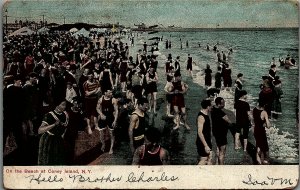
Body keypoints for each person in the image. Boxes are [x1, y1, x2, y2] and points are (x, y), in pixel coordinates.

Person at [38, 100, 69, 165]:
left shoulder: (65, 114)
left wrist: (62, 135)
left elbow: (65, 126)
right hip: (48, 140)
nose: (65, 107)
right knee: (48, 161)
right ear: (57, 105)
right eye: (63, 105)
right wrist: (54, 124)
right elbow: (40, 130)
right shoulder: (49, 115)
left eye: (65, 105)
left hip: (58, 140)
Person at [211, 97, 234, 165]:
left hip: (215, 132)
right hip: (221, 133)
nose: (224, 104)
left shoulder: (213, 110)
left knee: (218, 148)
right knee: (222, 151)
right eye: (223, 103)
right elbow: (229, 122)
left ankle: (217, 163)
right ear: (219, 104)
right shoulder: (221, 113)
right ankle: (221, 166)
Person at [96, 89, 119, 154]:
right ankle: (103, 144)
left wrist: (115, 120)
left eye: (111, 92)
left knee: (111, 133)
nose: (111, 93)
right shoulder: (101, 99)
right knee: (101, 134)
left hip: (110, 118)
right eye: (110, 92)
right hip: (103, 118)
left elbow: (116, 111)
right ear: (105, 92)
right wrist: (101, 114)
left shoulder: (114, 100)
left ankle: (111, 148)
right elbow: (97, 108)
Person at [196, 99, 212, 165]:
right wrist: (205, 145)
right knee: (204, 159)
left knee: (209, 158)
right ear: (208, 107)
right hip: (202, 142)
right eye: (211, 106)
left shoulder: (206, 114)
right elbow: (200, 132)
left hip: (207, 140)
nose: (212, 107)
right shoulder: (201, 117)